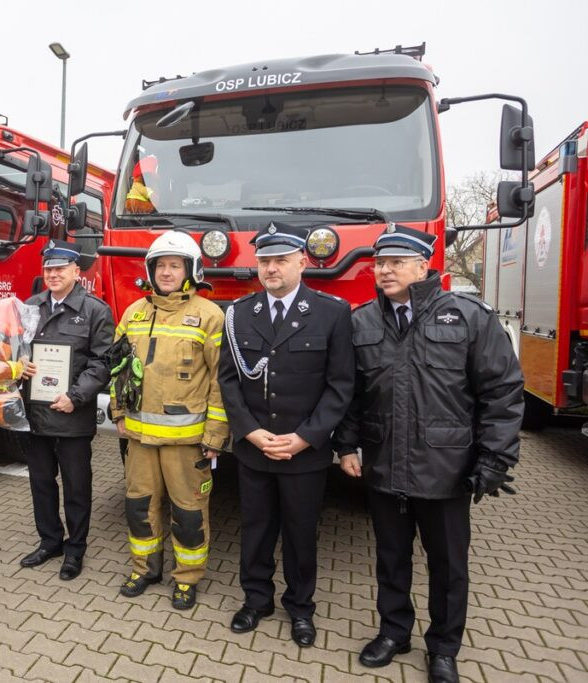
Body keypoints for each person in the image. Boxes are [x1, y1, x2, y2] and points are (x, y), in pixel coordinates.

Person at [333, 225, 523, 683]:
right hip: (382, 464)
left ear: (424, 266)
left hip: (446, 469)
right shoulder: (362, 322)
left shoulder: (468, 316)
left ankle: (443, 647)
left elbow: (502, 391)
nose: (385, 270)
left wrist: (495, 459)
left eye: (397, 262)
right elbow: (349, 394)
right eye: (380, 262)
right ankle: (394, 632)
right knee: (391, 558)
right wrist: (345, 445)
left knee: (448, 566)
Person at [217, 223, 354, 646]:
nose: (271, 268)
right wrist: (251, 433)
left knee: (300, 533)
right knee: (256, 529)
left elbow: (342, 385)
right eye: (264, 261)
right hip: (255, 449)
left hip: (304, 452)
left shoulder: (333, 312)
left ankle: (301, 608)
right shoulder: (239, 313)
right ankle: (256, 600)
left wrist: (306, 437)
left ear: (302, 261)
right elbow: (228, 381)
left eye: (280, 260)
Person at [110, 231, 228, 610]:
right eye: (160, 265)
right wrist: (117, 413)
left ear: (190, 271)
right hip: (140, 439)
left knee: (189, 514)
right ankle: (145, 569)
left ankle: (187, 578)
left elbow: (220, 382)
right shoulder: (134, 312)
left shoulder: (210, 316)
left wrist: (215, 435)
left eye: (175, 265)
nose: (166, 272)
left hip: (187, 443)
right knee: (139, 507)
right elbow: (118, 368)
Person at [18, 242, 114, 580]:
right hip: (35, 415)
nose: (53, 274)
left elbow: (103, 362)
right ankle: (49, 541)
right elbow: (16, 349)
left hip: (72, 415)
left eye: (60, 269)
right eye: (48, 269)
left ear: (76, 272)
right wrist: (20, 364)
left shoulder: (95, 310)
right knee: (41, 483)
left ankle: (75, 549)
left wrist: (76, 396)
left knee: (76, 486)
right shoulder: (30, 306)